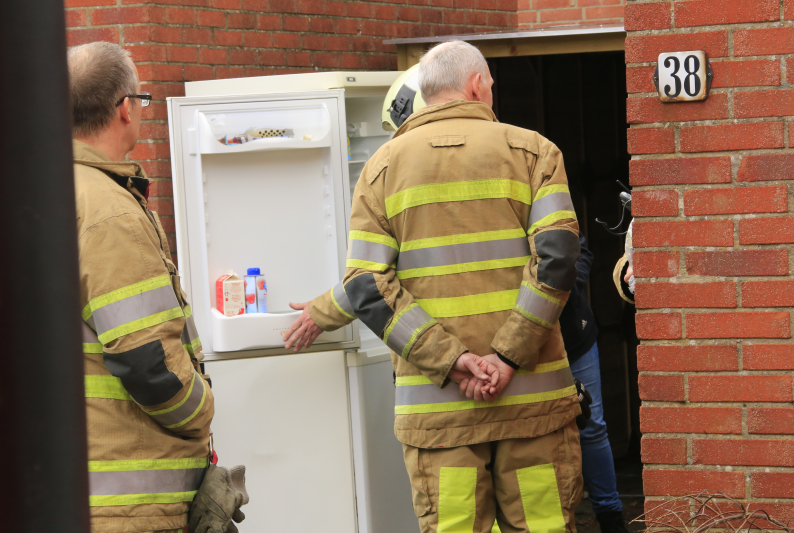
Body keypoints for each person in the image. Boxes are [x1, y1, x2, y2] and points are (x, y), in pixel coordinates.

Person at [283, 41, 583, 533]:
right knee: (545, 525)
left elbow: (366, 285)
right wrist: (507, 358)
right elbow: (556, 261)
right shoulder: (535, 152)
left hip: (439, 413)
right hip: (532, 406)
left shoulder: (381, 169)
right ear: (476, 85)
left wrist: (453, 360)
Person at [69, 42, 214, 533]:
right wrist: (203, 414)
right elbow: (147, 361)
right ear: (125, 109)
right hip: (130, 506)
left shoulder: (42, 191)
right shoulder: (108, 213)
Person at [562, 233, 629, 533]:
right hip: (520, 342)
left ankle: (611, 517)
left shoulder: (548, 192)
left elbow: (583, 250)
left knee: (591, 427)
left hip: (574, 335)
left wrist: (565, 289)